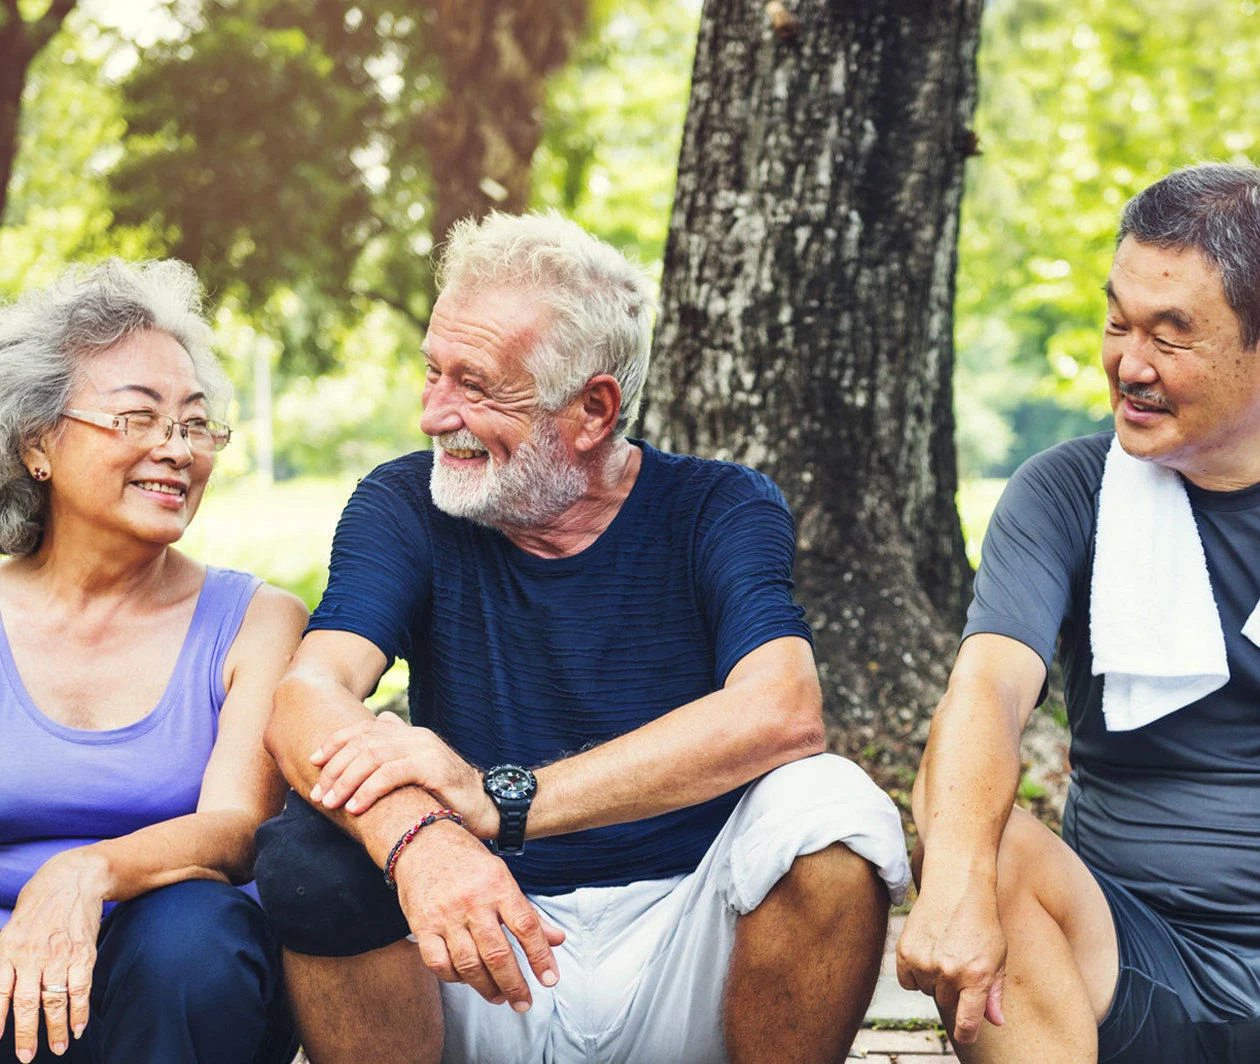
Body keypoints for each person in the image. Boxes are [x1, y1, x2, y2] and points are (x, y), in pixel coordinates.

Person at [254, 211, 910, 1064]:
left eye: (476, 385)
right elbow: (308, 697)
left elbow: (782, 711)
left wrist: (502, 799)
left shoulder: (718, 507)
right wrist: (421, 842)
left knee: (835, 812)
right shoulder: (404, 503)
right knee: (309, 847)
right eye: (433, 372)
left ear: (594, 409)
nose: (432, 414)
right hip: (479, 947)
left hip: (687, 942)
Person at [897, 162, 1260, 1063]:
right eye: (1116, 323)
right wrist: (952, 880)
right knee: (976, 833)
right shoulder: (1065, 492)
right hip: (1131, 957)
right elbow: (986, 690)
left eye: (1170, 336)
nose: (1127, 365)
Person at [0, 260, 307, 1064]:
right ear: (39, 442)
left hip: (180, 985)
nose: (177, 450)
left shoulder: (257, 620)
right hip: (8, 971)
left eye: (195, 424)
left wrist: (85, 872)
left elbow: (237, 830)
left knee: (191, 938)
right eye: (137, 418)